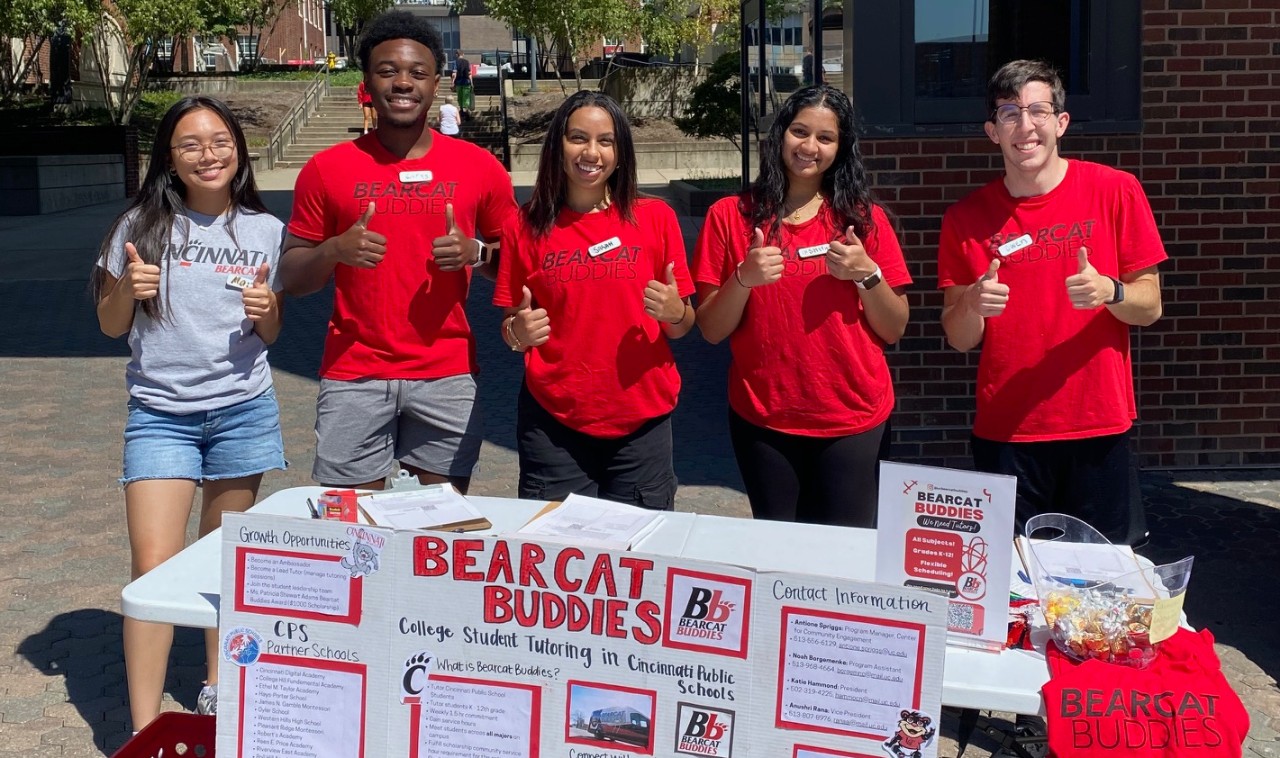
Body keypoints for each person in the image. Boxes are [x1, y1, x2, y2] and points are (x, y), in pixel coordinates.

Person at [91, 96, 286, 730]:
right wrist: (128, 289)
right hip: (161, 417)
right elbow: (109, 324)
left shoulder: (264, 229)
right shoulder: (138, 227)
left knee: (227, 558)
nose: (210, 154)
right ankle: (143, 728)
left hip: (241, 411)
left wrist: (268, 311)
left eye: (220, 140)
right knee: (152, 567)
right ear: (170, 160)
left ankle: (217, 688)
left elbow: (272, 333)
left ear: (238, 149)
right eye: (192, 144)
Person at [280, 11, 517, 494]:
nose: (403, 82)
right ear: (366, 81)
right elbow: (292, 275)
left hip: (447, 372)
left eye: (417, 72)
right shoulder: (327, 169)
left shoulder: (480, 167)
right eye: (387, 71)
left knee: (443, 533)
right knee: (352, 535)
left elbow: (516, 264)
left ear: (438, 82)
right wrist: (333, 250)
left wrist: (475, 252)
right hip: (354, 373)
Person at [937, 59, 1166, 546]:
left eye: (1038, 111)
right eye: (1009, 114)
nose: (1025, 127)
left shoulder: (1115, 190)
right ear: (992, 132)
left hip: (1097, 424)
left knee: (1105, 586)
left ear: (1061, 122)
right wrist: (973, 302)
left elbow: (1149, 307)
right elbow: (958, 339)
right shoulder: (966, 218)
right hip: (1008, 433)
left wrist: (1111, 291)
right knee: (1016, 586)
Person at [692, 85, 911, 528]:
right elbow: (711, 330)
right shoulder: (729, 216)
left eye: (825, 138)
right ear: (779, 135)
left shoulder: (863, 220)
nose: (810, 147)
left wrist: (867, 273)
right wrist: (743, 279)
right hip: (765, 420)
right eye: (799, 131)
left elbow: (894, 328)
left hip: (852, 417)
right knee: (779, 556)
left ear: (840, 148)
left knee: (844, 558)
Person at [494, 91, 695, 508]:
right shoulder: (524, 224)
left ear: (621, 152)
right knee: (557, 556)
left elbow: (682, 325)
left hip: (642, 421)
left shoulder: (656, 219)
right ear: (558, 147)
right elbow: (513, 324)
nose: (591, 152)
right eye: (578, 138)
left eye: (606, 141)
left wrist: (676, 312)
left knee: (641, 558)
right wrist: (518, 332)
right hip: (553, 423)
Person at [451, 48, 473, 114]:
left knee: (460, 96)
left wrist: (452, 83)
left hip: (458, 82)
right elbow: (469, 73)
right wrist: (471, 82)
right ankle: (466, 109)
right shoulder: (467, 62)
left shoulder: (455, 62)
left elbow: (454, 74)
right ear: (463, 54)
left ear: (456, 55)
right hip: (466, 81)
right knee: (466, 96)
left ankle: (461, 109)